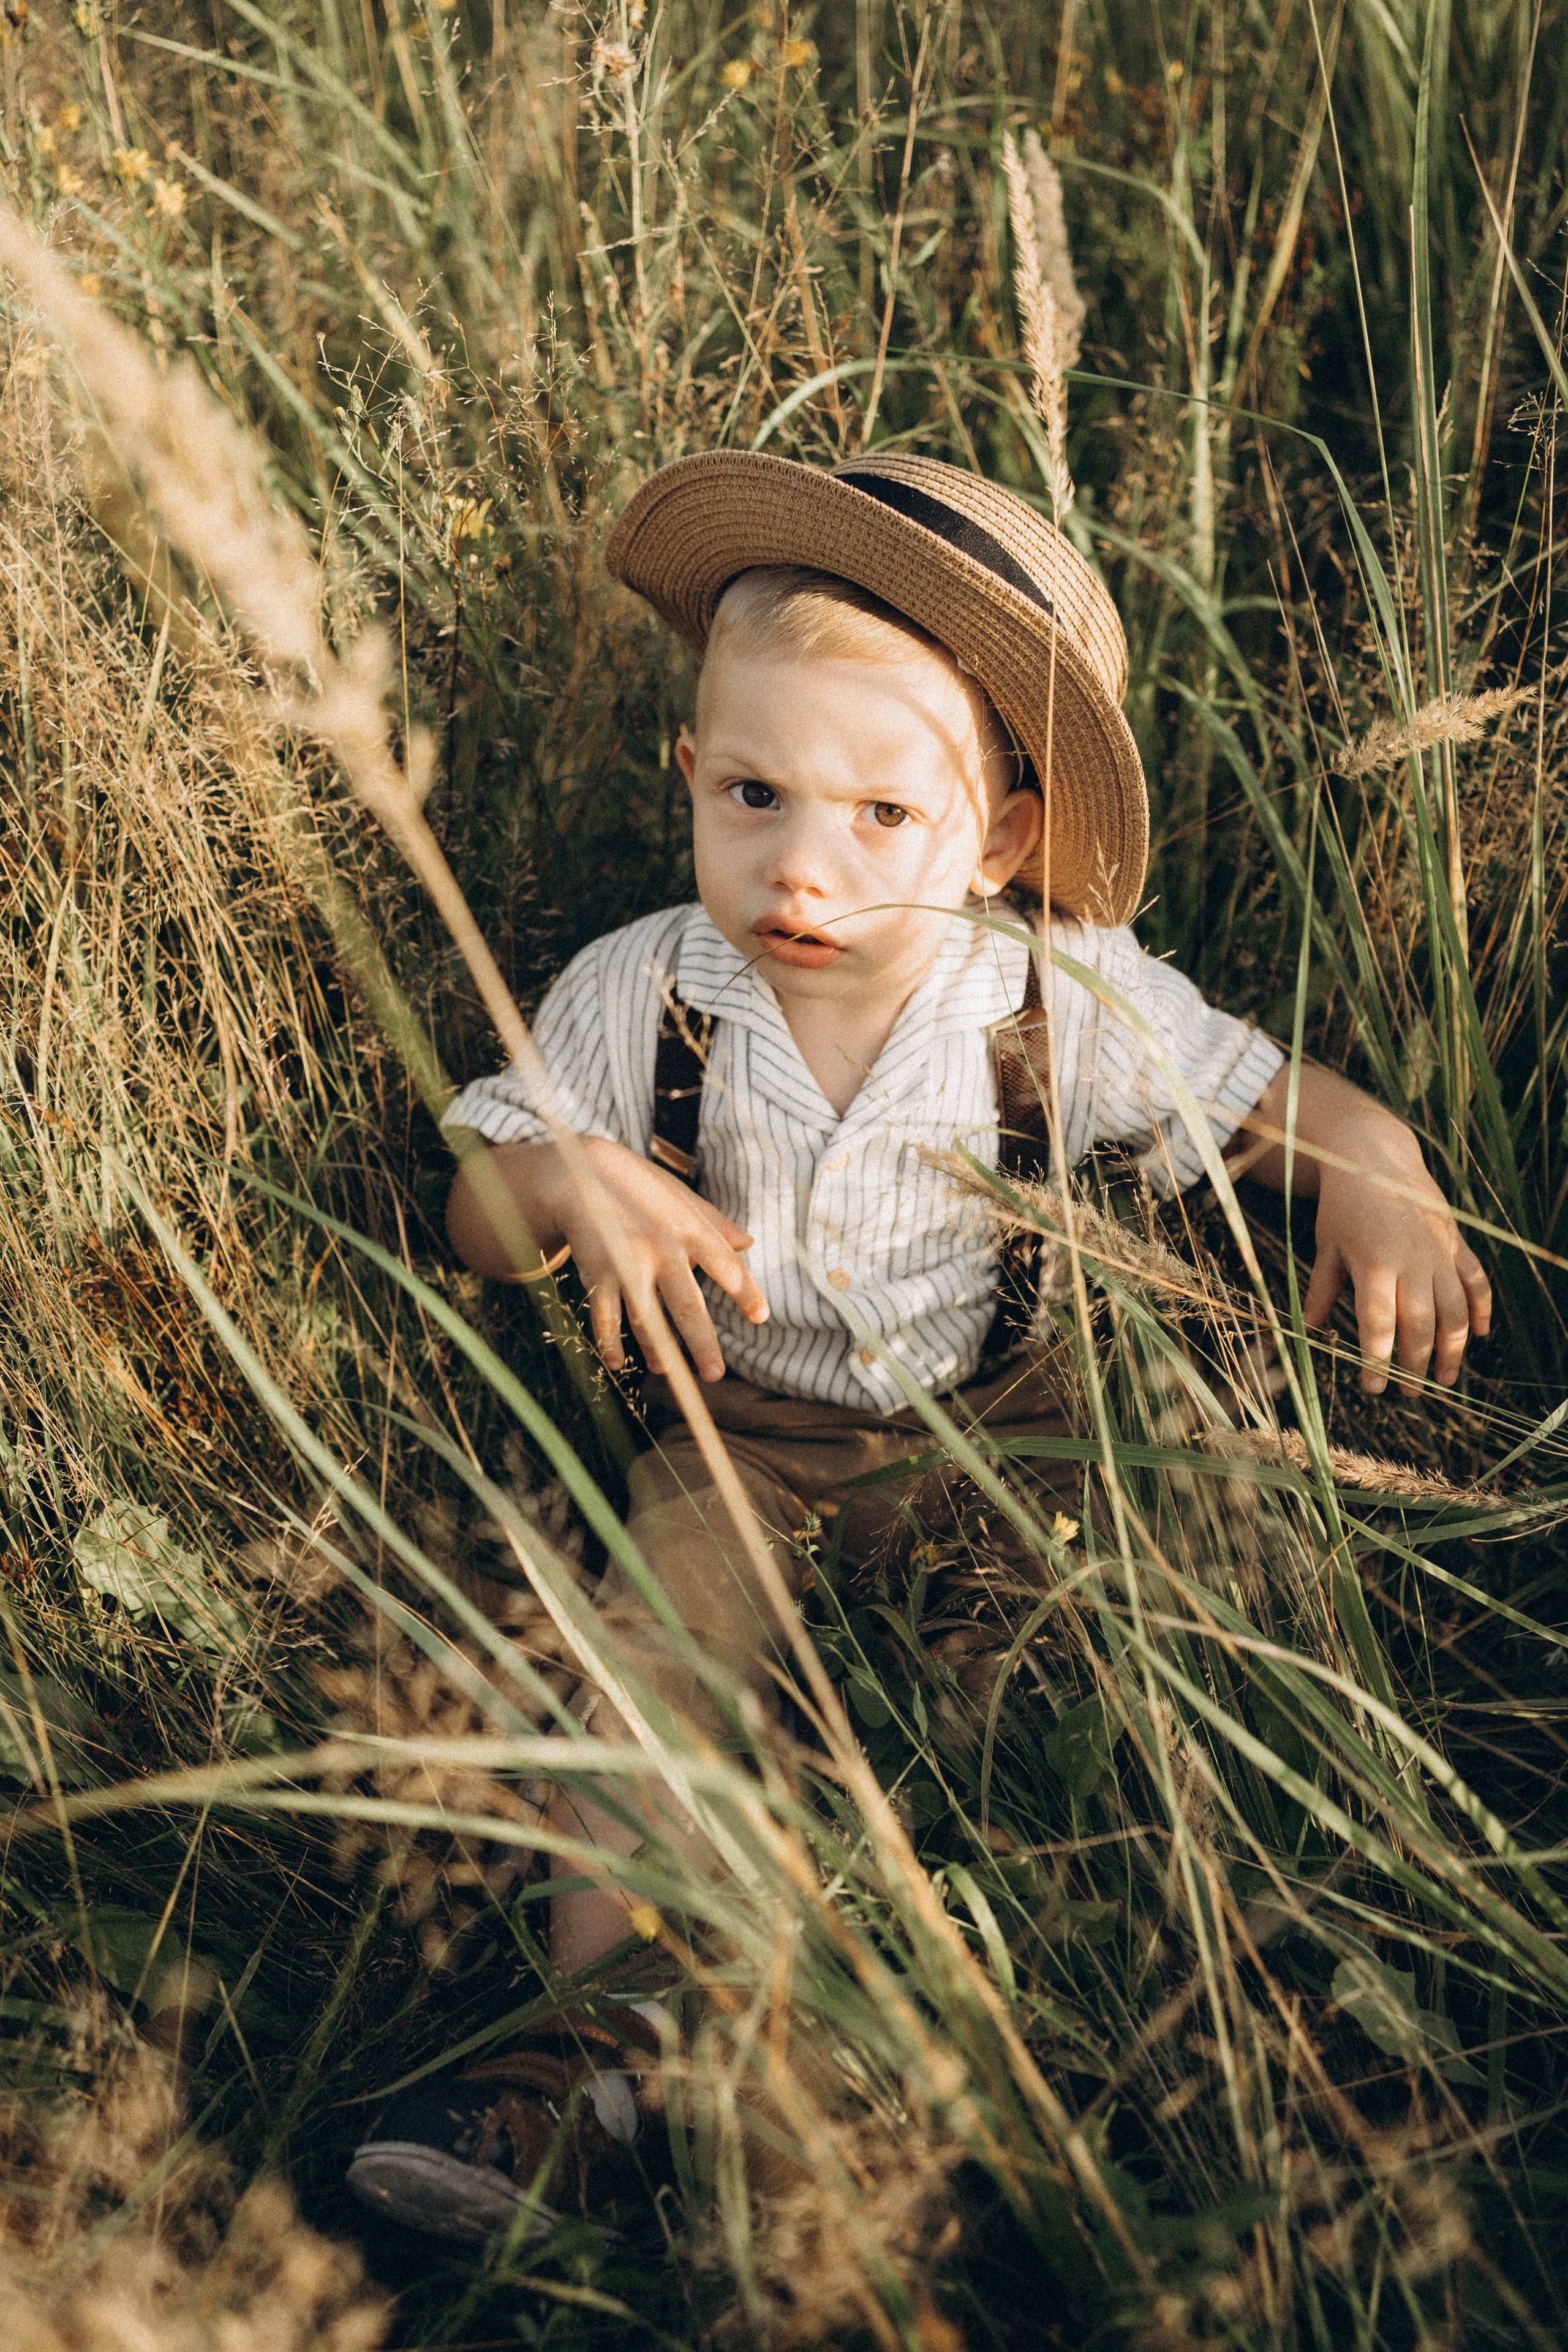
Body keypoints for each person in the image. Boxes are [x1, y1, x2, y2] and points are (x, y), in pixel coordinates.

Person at [347, 451, 1491, 2242]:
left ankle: (1060, 2061)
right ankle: (591, 2065)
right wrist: (569, 1178)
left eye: (885, 815)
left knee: (1053, 1700)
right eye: (755, 793)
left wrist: (1384, 1169)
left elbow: (1274, 1105)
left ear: (1000, 844)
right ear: (693, 782)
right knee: (652, 1661)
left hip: (1001, 1437)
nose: (802, 862)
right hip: (743, 1434)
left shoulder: (1055, 992)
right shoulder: (640, 986)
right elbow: (476, 1227)